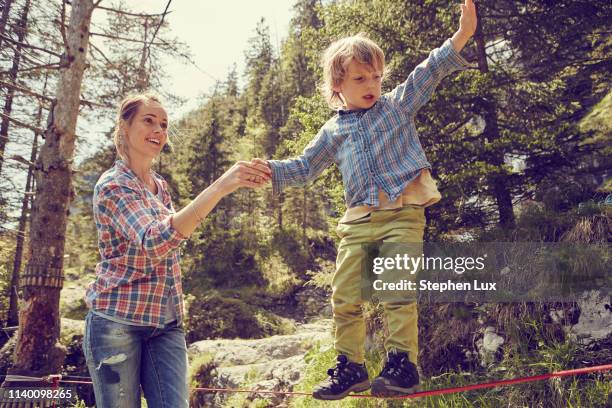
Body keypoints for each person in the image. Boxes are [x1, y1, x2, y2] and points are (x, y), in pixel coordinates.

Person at [252, 0, 478, 400]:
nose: (371, 84)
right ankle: (351, 367)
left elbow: (429, 72)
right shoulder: (332, 131)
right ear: (337, 85)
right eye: (360, 78)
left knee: (396, 288)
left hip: (404, 213)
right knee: (345, 294)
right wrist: (267, 170)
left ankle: (403, 365)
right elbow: (304, 167)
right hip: (358, 222)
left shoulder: (397, 106)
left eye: (375, 75)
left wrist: (461, 37)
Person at [83, 93, 271, 407]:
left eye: (164, 124)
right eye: (149, 120)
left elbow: (170, 247)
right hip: (116, 323)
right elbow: (156, 241)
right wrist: (220, 186)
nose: (159, 129)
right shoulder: (113, 185)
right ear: (125, 127)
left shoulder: (160, 186)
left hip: (166, 325)